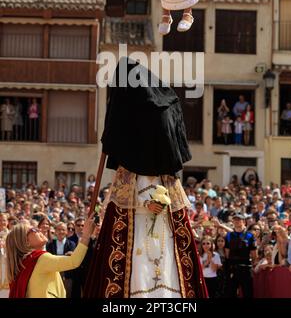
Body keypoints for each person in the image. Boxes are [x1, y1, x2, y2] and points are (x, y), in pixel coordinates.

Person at [83, 58, 208, 298]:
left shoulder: (125, 99)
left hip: (141, 176)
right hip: (155, 178)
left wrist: (111, 138)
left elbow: (114, 134)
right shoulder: (165, 97)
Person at [6, 215, 95, 298]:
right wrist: (86, 236)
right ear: (26, 241)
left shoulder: (23, 263)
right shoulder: (40, 258)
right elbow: (74, 261)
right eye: (33, 230)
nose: (39, 230)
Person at [225, 213, 257, 298]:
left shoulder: (250, 235)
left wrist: (252, 264)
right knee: (231, 293)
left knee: (248, 293)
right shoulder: (228, 235)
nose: (236, 221)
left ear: (244, 222)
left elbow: (254, 253)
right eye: (235, 220)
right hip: (233, 268)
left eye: (239, 219)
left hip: (246, 268)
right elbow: (227, 252)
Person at [46, 222, 76, 298]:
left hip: (67, 274)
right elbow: (48, 257)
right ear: (55, 231)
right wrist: (64, 256)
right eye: (58, 229)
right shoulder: (50, 244)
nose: (61, 232)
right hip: (54, 272)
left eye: (63, 230)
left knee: (67, 293)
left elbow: (71, 259)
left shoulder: (71, 244)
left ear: (66, 231)